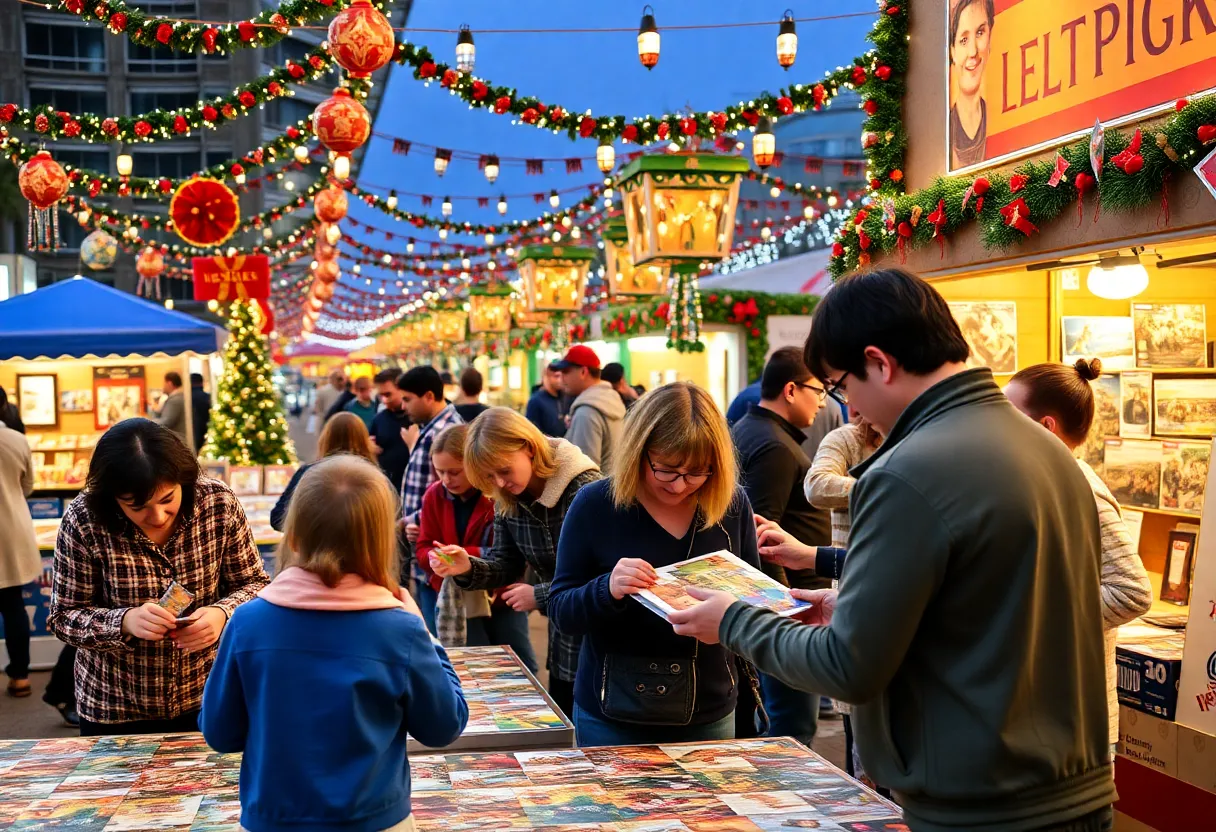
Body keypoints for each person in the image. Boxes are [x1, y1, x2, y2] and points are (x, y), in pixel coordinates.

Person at [667, 268, 1116, 831]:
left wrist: (734, 620)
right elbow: (991, 611)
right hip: (1074, 790)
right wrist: (849, 610)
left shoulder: (907, 470)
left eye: (841, 385)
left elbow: (848, 667)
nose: (848, 408)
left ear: (879, 363)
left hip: (979, 805)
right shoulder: (1048, 451)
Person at [201, 455, 468, 832]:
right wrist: (425, 634)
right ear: (380, 541)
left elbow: (220, 733)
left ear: (293, 536)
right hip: (376, 819)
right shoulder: (401, 630)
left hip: (272, 818)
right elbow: (444, 726)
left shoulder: (247, 623)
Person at [549, 382, 762, 747]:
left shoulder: (731, 504)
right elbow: (561, 609)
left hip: (710, 709)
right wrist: (607, 588)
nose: (680, 486)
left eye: (697, 472)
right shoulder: (595, 504)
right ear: (638, 451)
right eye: (666, 469)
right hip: (613, 712)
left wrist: (736, 619)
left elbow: (757, 598)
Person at [48, 418, 269, 736]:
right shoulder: (84, 519)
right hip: (115, 707)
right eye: (136, 506)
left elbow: (256, 584)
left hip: (208, 696)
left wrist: (223, 614)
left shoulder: (217, 504)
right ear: (112, 497)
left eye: (168, 500)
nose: (157, 516)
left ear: (184, 481)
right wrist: (123, 622)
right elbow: (64, 616)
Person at [1006, 359, 1154, 752]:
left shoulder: (1081, 489)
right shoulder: (1043, 483)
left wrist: (1035, 616)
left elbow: (1132, 591)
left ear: (1045, 428)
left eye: (1008, 415)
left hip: (1073, 724)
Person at [431, 407, 599, 717]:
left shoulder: (585, 490)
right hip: (564, 637)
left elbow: (603, 576)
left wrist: (538, 594)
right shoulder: (507, 498)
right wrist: (466, 566)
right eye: (489, 477)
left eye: (504, 471)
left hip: (602, 640)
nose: (499, 483)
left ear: (529, 448)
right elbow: (505, 564)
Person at [730, 347, 830, 746]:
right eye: (818, 390)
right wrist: (784, 609)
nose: (823, 401)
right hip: (789, 607)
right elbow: (759, 537)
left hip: (784, 603)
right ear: (791, 389)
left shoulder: (754, 429)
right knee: (791, 728)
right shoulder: (773, 446)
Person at [417, 425, 538, 671]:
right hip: (458, 599)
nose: (446, 480)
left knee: (520, 664)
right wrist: (435, 557)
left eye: (454, 472)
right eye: (439, 472)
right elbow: (423, 545)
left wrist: (462, 556)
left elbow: (511, 553)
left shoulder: (499, 493)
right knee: (470, 666)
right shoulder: (433, 495)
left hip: (503, 597)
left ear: (473, 465)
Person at [396, 367, 463, 616]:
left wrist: (411, 522)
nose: (403, 406)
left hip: (440, 551)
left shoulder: (446, 432)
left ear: (428, 396)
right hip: (427, 550)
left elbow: (452, 495)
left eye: (407, 399)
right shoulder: (431, 427)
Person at [271, 412, 377, 532]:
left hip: (316, 548)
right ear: (363, 439)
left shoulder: (308, 473)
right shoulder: (375, 477)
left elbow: (278, 519)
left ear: (326, 438)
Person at [0, 415, 40, 699]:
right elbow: (28, 486)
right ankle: (20, 676)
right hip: (11, 531)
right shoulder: (17, 440)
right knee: (13, 605)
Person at [555, 345, 626, 468]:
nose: (561, 377)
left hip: (598, 486)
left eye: (566, 371)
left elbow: (583, 471)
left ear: (583, 372)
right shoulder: (610, 398)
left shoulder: (587, 412)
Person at [949, 0, 994, 168]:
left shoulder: (998, 122)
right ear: (952, 51)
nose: (973, 51)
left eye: (980, 32)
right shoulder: (943, 135)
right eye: (963, 40)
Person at [371, 369, 412, 492]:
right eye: (380, 395)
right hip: (387, 490)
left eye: (388, 394)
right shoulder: (378, 419)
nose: (384, 400)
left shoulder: (417, 417)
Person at [525, 362, 567, 437]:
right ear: (546, 377)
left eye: (562, 376)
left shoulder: (565, 397)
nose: (560, 380)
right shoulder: (535, 401)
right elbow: (532, 432)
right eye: (556, 376)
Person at [150, 371, 188, 443]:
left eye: (164, 383)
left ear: (169, 383)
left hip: (177, 442)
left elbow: (166, 422)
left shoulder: (175, 400)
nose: (163, 386)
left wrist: (147, 423)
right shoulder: (176, 398)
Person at [189, 373, 211, 452]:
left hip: (192, 433)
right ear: (202, 383)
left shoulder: (187, 398)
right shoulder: (208, 397)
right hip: (207, 431)